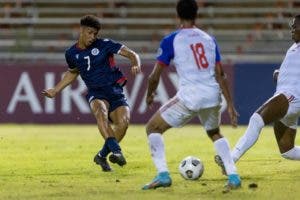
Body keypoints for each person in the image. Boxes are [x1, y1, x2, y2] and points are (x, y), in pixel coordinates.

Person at [142, 0, 241, 190]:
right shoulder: (209, 39)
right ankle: (234, 176)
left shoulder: (172, 40)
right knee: (214, 132)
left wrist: (149, 95)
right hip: (213, 95)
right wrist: (230, 104)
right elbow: (220, 74)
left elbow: (154, 75)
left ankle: (163, 175)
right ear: (196, 15)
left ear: (177, 15)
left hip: (190, 96)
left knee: (153, 128)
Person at [42, 15, 141, 172]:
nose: (92, 37)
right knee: (100, 112)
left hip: (115, 91)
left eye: (95, 34)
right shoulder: (71, 53)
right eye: (90, 32)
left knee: (123, 123)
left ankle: (101, 156)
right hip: (96, 92)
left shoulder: (105, 44)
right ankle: (117, 151)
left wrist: (135, 63)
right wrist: (56, 89)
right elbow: (73, 72)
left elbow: (132, 54)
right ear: (81, 30)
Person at [226, 14, 300, 164]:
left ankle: (231, 158)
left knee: (256, 119)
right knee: (287, 150)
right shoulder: (294, 47)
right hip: (286, 95)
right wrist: (280, 74)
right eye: (292, 25)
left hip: (291, 97)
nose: (292, 28)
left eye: (295, 25)